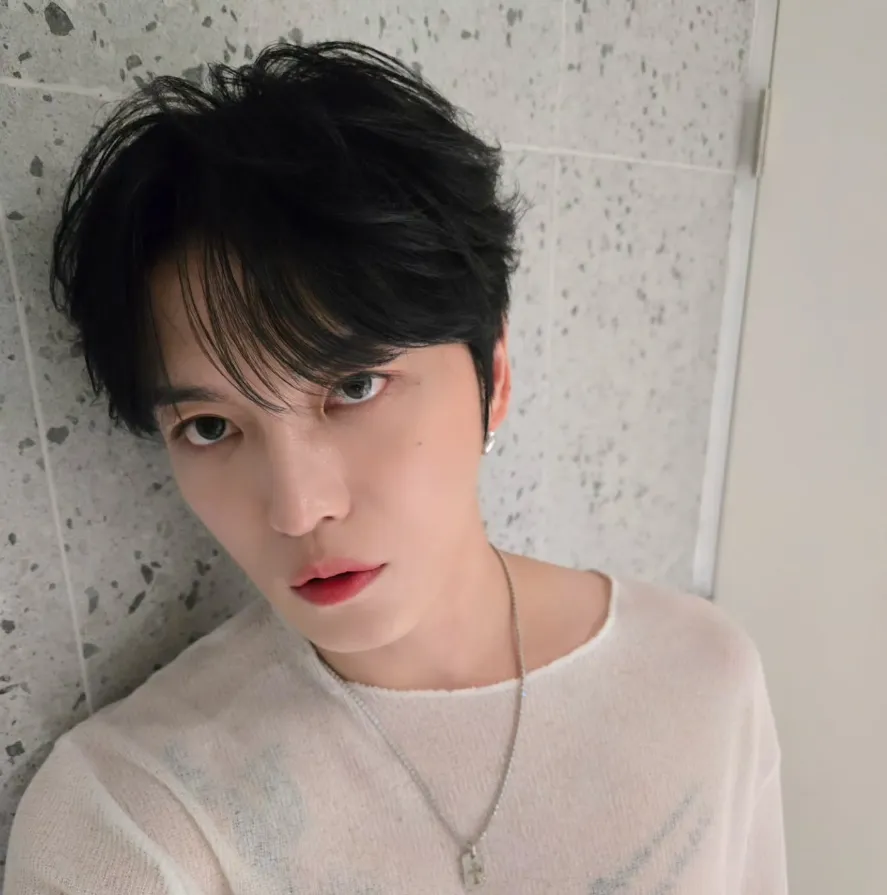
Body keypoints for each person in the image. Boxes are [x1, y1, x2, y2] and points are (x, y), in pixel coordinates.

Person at [5, 41, 787, 895]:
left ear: (494, 377)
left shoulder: (702, 678)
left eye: (354, 386)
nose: (298, 508)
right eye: (210, 426)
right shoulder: (132, 819)